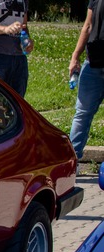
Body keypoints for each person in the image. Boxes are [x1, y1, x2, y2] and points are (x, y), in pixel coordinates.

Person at [69, 0, 104, 162]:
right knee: (82, 114)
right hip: (92, 64)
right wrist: (75, 56)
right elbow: (88, 25)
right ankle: (72, 161)